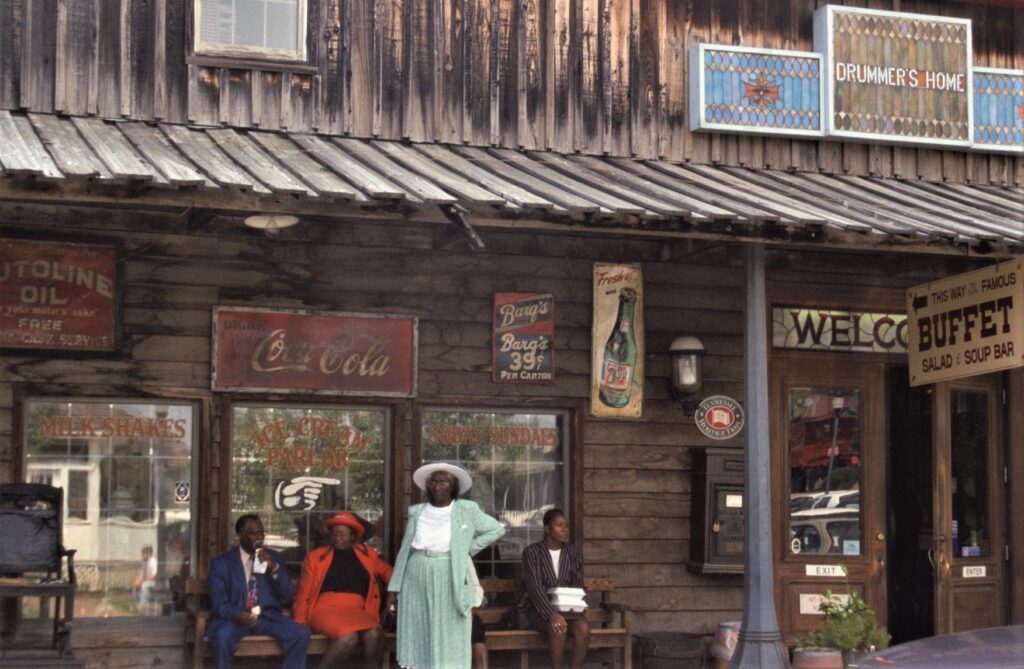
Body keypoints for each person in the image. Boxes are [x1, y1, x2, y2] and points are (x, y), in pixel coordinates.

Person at [386, 462, 505, 669]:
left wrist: (466, 549)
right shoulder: (417, 511)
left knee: (450, 630)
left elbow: (496, 529)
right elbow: (405, 551)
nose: (438, 486)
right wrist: (393, 589)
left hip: (449, 573)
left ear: (453, 486)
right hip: (416, 573)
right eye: (433, 481)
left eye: (443, 481)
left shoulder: (466, 509)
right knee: (419, 627)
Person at [206, 514, 310, 669]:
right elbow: (219, 603)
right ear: (240, 535)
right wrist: (237, 615)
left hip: (267, 618)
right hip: (235, 619)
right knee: (222, 636)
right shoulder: (222, 563)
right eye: (254, 533)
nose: (260, 537)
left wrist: (274, 568)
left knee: (301, 633)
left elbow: (287, 596)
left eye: (262, 532)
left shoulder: (274, 558)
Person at [293, 511, 393, 669]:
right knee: (349, 638)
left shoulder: (367, 554)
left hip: (357, 611)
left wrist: (392, 593)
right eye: (334, 534)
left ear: (353, 536)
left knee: (375, 634)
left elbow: (389, 572)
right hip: (325, 610)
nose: (338, 538)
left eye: (342, 534)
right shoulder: (316, 557)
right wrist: (300, 624)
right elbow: (303, 593)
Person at [521, 508, 591, 669]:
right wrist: (552, 614)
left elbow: (577, 583)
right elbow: (534, 587)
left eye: (566, 526)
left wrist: (577, 604)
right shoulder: (532, 552)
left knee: (584, 629)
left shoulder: (573, 552)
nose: (564, 530)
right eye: (559, 525)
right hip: (540, 611)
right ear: (547, 529)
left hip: (569, 610)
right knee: (558, 628)